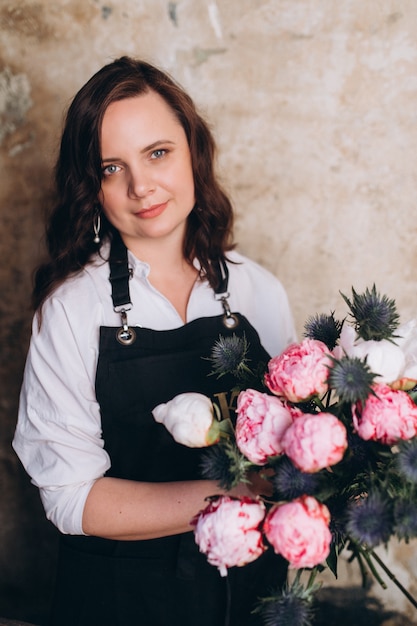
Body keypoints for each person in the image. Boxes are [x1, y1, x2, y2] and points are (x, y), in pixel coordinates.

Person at [12, 56, 296, 626]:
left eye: (158, 153)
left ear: (193, 150)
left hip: (253, 601)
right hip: (121, 601)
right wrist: (237, 493)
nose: (141, 187)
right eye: (111, 167)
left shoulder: (259, 290)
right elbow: (73, 499)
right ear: (90, 187)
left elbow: (296, 442)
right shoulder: (71, 311)